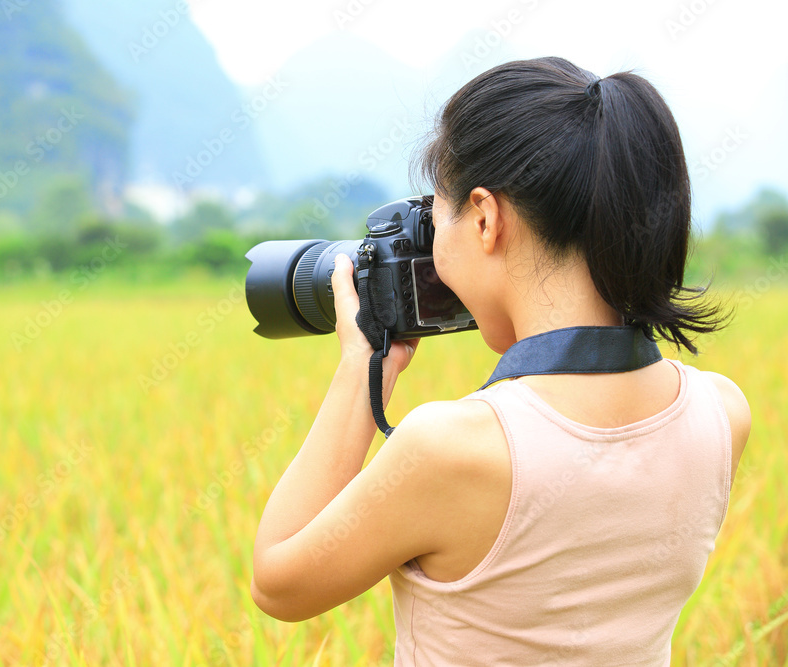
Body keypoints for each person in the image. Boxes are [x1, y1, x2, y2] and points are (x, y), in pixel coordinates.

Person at [249, 56, 752, 665]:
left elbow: (277, 582)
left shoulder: (450, 447)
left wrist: (362, 364)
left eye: (435, 221)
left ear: (486, 218)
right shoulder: (722, 413)